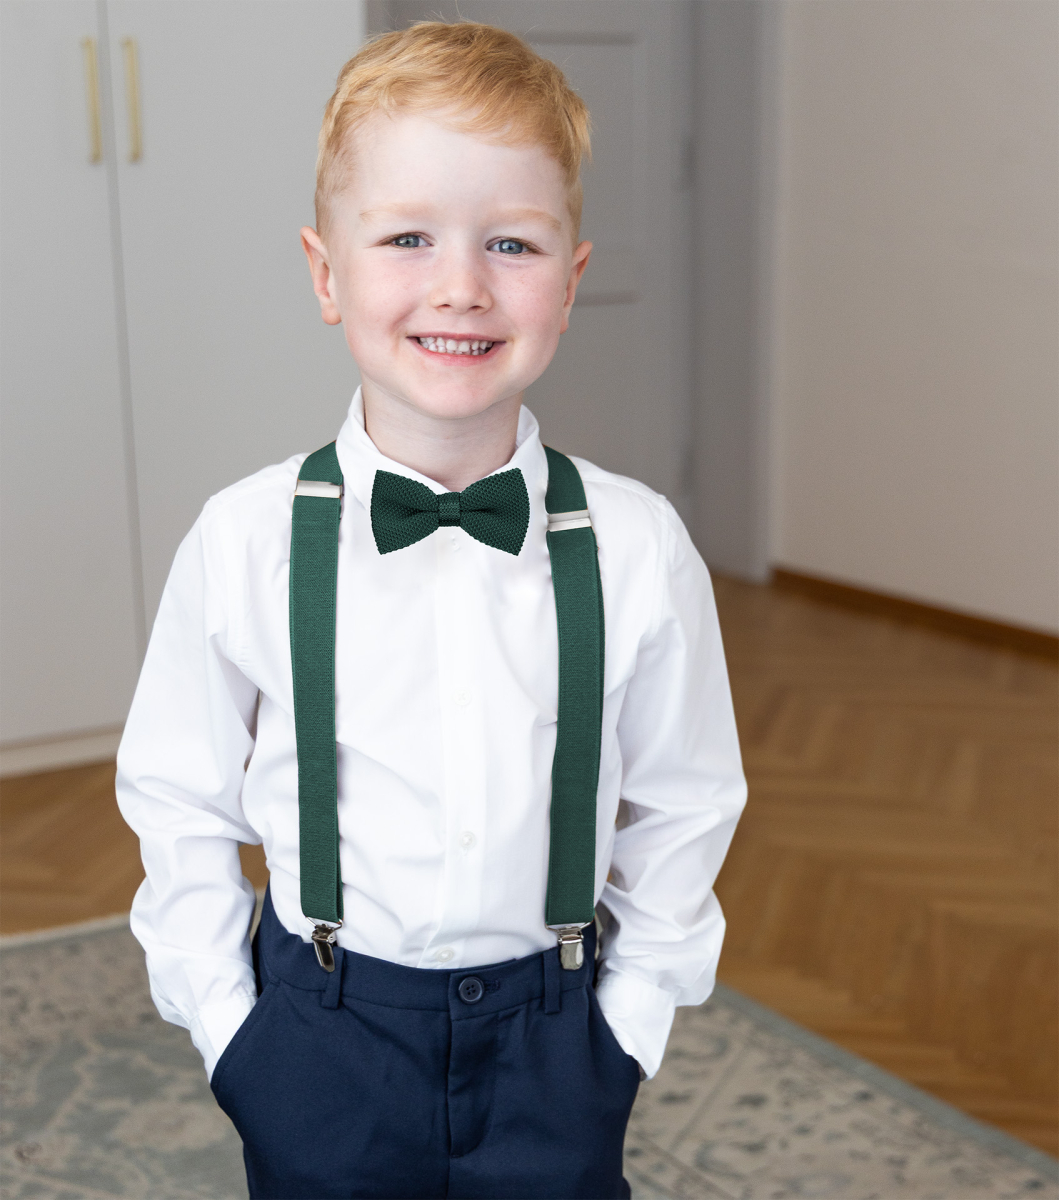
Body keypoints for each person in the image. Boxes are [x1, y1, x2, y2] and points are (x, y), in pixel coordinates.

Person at [116, 20, 746, 1200]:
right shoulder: (245, 538)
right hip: (321, 1032)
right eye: (407, 237)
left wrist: (631, 1021)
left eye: (511, 243)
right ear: (324, 273)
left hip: (557, 1041)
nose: (460, 284)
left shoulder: (639, 546)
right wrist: (234, 1034)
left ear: (570, 280)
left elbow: (686, 797)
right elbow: (176, 793)